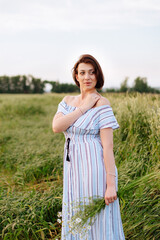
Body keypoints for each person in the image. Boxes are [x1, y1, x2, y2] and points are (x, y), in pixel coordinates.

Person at [52, 54, 125, 240]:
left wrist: (110, 185)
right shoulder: (68, 100)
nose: (87, 77)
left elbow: (108, 147)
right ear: (76, 76)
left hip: (95, 170)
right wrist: (83, 108)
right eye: (82, 72)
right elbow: (56, 127)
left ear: (97, 75)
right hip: (73, 169)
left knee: (98, 219)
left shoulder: (102, 103)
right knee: (76, 213)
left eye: (92, 73)